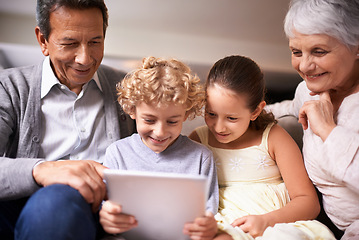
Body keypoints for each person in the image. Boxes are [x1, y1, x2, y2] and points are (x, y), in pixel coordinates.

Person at [0, 0, 135, 239]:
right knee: (53, 203)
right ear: (43, 40)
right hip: (36, 209)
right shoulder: (9, 87)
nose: (84, 58)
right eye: (70, 43)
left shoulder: (127, 88)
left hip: (111, 211)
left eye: (95, 42)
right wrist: (41, 170)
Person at [189, 55, 335, 239]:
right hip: (225, 226)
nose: (219, 127)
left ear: (256, 111)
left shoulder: (273, 138)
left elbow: (308, 202)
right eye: (211, 114)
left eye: (231, 118)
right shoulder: (199, 139)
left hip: (275, 224)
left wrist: (266, 221)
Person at [265, 0, 359, 239]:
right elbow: (288, 109)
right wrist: (243, 113)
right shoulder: (307, 91)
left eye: (319, 51)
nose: (305, 65)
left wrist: (328, 130)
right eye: (296, 52)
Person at [99, 56, 219, 240]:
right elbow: (105, 206)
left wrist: (208, 227)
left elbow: (209, 213)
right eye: (149, 120)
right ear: (132, 110)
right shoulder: (117, 153)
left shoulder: (201, 157)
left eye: (172, 121)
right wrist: (107, 216)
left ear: (186, 114)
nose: (160, 131)